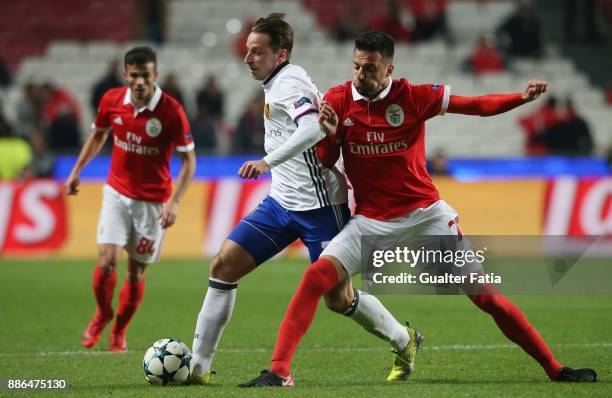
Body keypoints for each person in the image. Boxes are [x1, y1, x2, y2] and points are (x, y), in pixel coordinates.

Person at [240, 31, 597, 387]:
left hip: (426, 215)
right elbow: (326, 159)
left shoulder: (413, 96)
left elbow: (476, 106)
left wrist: (521, 97)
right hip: (371, 221)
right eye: (356, 66)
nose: (360, 75)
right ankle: (280, 371)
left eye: (370, 68)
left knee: (487, 298)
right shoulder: (337, 100)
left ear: (389, 68)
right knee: (315, 278)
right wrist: (330, 134)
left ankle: (555, 368)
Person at [190, 15, 416, 386]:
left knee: (338, 299)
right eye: (247, 51)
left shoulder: (289, 82)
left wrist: (266, 161)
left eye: (257, 52)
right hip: (281, 204)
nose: (248, 58)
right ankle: (197, 368)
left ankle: (405, 339)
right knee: (223, 266)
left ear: (280, 54)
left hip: (321, 208)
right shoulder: (274, 82)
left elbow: (312, 128)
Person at [64, 46, 196, 352]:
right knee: (107, 262)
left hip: (153, 205)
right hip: (116, 194)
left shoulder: (171, 111)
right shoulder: (111, 100)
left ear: (155, 75)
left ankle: (119, 331)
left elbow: (189, 161)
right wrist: (76, 170)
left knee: (135, 272)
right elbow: (98, 135)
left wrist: (174, 201)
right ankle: (102, 314)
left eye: (145, 75)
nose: (139, 81)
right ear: (125, 75)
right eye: (134, 75)